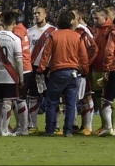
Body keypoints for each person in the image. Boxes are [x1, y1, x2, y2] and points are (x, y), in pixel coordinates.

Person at [37, 9, 89, 137]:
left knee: (52, 102)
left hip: (57, 73)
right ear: (71, 21)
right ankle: (68, 131)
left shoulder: (54, 35)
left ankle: (50, 130)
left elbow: (46, 54)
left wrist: (40, 70)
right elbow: (84, 56)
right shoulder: (77, 36)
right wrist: (85, 70)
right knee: (71, 104)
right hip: (73, 73)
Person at [0, 10, 25, 137]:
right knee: (8, 103)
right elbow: (19, 61)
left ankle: (0, 129)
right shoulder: (15, 39)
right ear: (14, 23)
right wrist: (21, 77)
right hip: (10, 75)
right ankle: (5, 130)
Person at [26, 6, 55, 131]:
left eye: (39, 13)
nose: (36, 15)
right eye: (34, 13)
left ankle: (55, 125)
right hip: (33, 67)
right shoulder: (29, 31)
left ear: (45, 14)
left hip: (49, 67)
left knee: (52, 97)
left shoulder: (53, 30)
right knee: (33, 97)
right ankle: (33, 125)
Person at [71, 8, 98, 135]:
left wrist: (85, 65)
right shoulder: (68, 31)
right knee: (71, 97)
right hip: (72, 69)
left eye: (73, 15)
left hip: (83, 71)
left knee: (86, 96)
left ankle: (87, 126)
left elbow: (93, 48)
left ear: (78, 18)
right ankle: (74, 125)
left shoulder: (82, 32)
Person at [90, 6, 115, 132]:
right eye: (93, 18)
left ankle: (113, 125)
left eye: (96, 18)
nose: (94, 20)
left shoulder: (111, 30)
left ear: (105, 17)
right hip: (96, 67)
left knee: (109, 98)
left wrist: (108, 67)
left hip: (106, 68)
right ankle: (104, 124)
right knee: (99, 97)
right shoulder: (97, 30)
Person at [11, 11, 34, 134]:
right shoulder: (23, 29)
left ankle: (24, 128)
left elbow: (17, 53)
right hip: (26, 67)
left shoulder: (17, 32)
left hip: (22, 68)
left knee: (20, 99)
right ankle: (20, 125)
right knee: (17, 99)